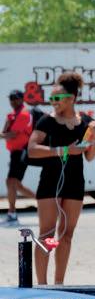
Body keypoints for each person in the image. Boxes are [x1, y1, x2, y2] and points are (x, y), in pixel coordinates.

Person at [26, 71, 95, 285]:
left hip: (75, 183)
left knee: (66, 235)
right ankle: (42, 286)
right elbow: (32, 150)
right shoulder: (46, 121)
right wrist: (64, 150)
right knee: (47, 235)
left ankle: (59, 284)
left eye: (57, 98)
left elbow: (89, 156)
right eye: (51, 98)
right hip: (50, 183)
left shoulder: (85, 122)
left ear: (71, 98)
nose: (53, 101)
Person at [4, 90, 35, 223]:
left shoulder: (23, 114)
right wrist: (7, 126)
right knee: (12, 183)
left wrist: (5, 133)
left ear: (22, 99)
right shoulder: (13, 115)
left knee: (13, 183)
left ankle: (43, 201)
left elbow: (12, 134)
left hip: (21, 152)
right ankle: (12, 213)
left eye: (15, 98)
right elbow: (5, 132)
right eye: (11, 98)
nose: (12, 101)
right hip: (15, 153)